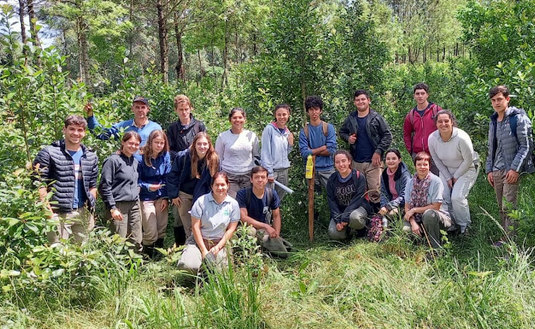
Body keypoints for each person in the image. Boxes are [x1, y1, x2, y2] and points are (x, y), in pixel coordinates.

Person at [33, 115, 98, 244]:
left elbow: (93, 185)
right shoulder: (49, 153)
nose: (76, 133)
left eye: (80, 130)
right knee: (58, 255)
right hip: (59, 213)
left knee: (82, 255)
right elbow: (39, 184)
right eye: (72, 129)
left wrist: (91, 206)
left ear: (84, 132)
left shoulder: (90, 156)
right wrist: (49, 214)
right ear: (64, 129)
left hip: (83, 213)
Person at [486, 85, 534, 245]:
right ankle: (505, 239)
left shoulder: (518, 118)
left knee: (509, 206)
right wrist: (489, 170)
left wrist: (515, 169)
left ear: (507, 99)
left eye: (499, 99)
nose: (496, 103)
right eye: (493, 100)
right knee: (501, 207)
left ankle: (511, 244)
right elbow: (491, 148)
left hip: (510, 169)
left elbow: (526, 146)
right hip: (496, 170)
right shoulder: (493, 120)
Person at [339, 89, 392, 211]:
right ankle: (362, 224)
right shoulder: (351, 118)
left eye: (363, 99)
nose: (360, 102)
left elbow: (387, 135)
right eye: (357, 100)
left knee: (375, 191)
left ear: (368, 100)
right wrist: (348, 138)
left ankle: (378, 222)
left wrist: (378, 151)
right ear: (354, 102)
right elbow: (342, 132)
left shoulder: (376, 118)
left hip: (373, 162)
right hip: (356, 161)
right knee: (359, 193)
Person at [177, 172, 240, 274]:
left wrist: (218, 247)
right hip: (199, 241)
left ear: (228, 186)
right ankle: (198, 270)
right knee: (188, 266)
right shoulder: (201, 202)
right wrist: (203, 250)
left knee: (221, 272)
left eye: (223, 184)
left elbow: (231, 229)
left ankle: (207, 270)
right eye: (217, 185)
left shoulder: (233, 204)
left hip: (220, 243)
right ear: (212, 186)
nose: (220, 188)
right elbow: (195, 227)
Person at [428, 110, 478, 235]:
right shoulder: (432, 138)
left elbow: (468, 159)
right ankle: (451, 224)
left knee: (457, 197)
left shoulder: (461, 137)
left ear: (452, 122)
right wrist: (448, 177)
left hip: (467, 168)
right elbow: (436, 160)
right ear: (436, 123)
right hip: (446, 170)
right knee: (443, 196)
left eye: (446, 121)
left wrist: (455, 177)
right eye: (440, 121)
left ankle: (464, 227)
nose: (443, 124)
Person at [167, 132, 220, 245]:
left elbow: (215, 179)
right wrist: (174, 195)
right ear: (194, 144)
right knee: (189, 226)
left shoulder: (213, 159)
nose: (202, 147)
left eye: (205, 144)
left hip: (203, 196)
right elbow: (173, 175)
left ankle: (200, 248)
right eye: (199, 144)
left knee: (202, 224)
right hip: (184, 195)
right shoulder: (184, 156)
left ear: (209, 145)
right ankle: (187, 250)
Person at [99, 132, 142, 250]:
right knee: (118, 240)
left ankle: (134, 265)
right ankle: (116, 266)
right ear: (123, 142)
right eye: (131, 143)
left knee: (136, 239)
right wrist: (112, 208)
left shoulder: (135, 161)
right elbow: (104, 186)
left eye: (136, 144)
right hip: (118, 205)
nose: (133, 146)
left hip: (134, 204)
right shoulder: (113, 161)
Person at [237, 166, 291, 257]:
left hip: (263, 229)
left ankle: (267, 250)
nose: (260, 180)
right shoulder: (243, 194)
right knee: (251, 232)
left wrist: (276, 234)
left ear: (267, 180)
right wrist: (266, 226)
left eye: (263, 177)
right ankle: (252, 255)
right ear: (251, 180)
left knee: (283, 251)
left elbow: (276, 216)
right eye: (257, 177)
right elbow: (243, 218)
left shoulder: (271, 193)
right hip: (248, 227)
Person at [404, 152, 453, 249]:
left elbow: (436, 207)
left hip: (438, 218)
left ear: (429, 166)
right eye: (419, 164)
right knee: (405, 230)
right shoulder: (410, 182)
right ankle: (420, 242)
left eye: (425, 164)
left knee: (429, 214)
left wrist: (414, 210)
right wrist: (413, 223)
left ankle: (435, 248)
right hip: (417, 218)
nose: (422, 167)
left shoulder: (436, 181)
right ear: (415, 166)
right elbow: (407, 206)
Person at [135, 130, 171, 257]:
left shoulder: (165, 156)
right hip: (146, 196)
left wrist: (166, 197)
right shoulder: (140, 157)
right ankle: (147, 256)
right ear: (150, 142)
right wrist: (149, 187)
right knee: (151, 230)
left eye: (162, 143)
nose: (159, 145)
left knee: (162, 227)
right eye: (157, 142)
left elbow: (168, 177)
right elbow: (136, 180)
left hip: (161, 195)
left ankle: (158, 255)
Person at [327, 150, 372, 241]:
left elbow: (358, 199)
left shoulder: (359, 176)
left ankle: (362, 231)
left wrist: (345, 217)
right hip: (341, 210)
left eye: (343, 161)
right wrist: (338, 220)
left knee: (355, 218)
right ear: (334, 164)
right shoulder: (332, 179)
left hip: (358, 208)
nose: (341, 164)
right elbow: (331, 201)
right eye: (337, 162)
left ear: (349, 161)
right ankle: (349, 233)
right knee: (333, 233)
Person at [215, 108, 260, 198]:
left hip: (248, 176)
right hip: (229, 176)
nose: (237, 120)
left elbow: (256, 156)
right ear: (230, 119)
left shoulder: (251, 136)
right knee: (233, 204)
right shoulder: (223, 136)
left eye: (240, 117)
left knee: (247, 204)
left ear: (244, 119)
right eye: (234, 117)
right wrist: (219, 175)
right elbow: (217, 158)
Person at [84, 96, 162, 146]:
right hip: (129, 168)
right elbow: (102, 133)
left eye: (143, 107)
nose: (140, 110)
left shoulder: (155, 128)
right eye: (137, 107)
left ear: (148, 109)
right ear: (132, 109)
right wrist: (91, 117)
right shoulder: (124, 126)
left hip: (148, 168)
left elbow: (162, 148)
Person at [403, 83, 443, 175]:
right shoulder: (411, 115)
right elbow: (406, 134)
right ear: (414, 96)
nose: (420, 96)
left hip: (435, 153)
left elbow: (445, 128)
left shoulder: (436, 110)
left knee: (437, 180)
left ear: (427, 95)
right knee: (422, 181)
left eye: (422, 93)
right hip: (418, 153)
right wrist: (411, 151)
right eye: (417, 94)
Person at [298, 96, 337, 190]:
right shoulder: (304, 131)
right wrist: (323, 148)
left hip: (328, 169)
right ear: (307, 112)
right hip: (311, 170)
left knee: (334, 195)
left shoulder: (328, 128)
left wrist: (311, 151)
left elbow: (331, 150)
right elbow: (304, 153)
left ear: (321, 111)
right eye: (311, 109)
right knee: (313, 199)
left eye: (316, 109)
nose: (314, 112)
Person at [261, 104, 294, 200]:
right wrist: (269, 172)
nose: (282, 117)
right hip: (272, 171)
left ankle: (275, 216)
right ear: (275, 115)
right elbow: (265, 152)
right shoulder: (269, 129)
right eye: (279, 114)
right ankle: (266, 215)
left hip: (284, 170)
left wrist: (291, 144)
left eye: (284, 114)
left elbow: (285, 153)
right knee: (268, 199)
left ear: (288, 115)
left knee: (278, 200)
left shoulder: (287, 131)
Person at [166, 94, 206, 161]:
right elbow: (169, 150)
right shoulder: (172, 128)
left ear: (190, 109)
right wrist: (183, 155)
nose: (184, 112)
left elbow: (206, 146)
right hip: (180, 165)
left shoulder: (199, 126)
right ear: (176, 110)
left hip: (198, 163)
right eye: (181, 109)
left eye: (186, 109)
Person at [379, 149, 412, 226]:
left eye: (394, 158)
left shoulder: (405, 175)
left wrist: (388, 207)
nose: (391, 161)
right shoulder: (384, 174)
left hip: (403, 204)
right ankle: (383, 231)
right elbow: (383, 193)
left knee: (391, 214)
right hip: (390, 202)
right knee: (382, 215)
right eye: (388, 159)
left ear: (399, 160)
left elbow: (405, 196)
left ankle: (394, 229)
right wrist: (383, 206)